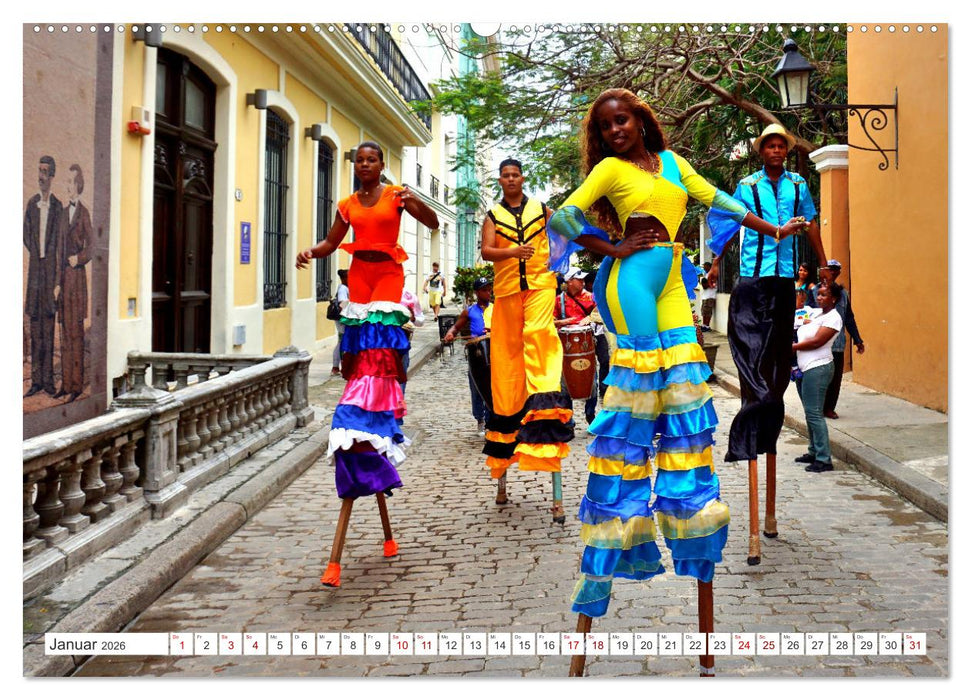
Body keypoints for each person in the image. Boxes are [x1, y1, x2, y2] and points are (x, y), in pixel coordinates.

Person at [547, 88, 806, 619]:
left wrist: (774, 229)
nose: (615, 130)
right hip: (631, 281)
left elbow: (721, 200)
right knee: (642, 394)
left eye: (623, 121)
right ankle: (617, 526)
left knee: (684, 390)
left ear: (641, 120)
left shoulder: (672, 163)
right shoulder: (610, 171)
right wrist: (614, 247)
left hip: (670, 282)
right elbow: (565, 220)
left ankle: (687, 511)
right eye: (605, 127)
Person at [296, 141, 439, 585]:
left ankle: (379, 397)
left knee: (382, 342)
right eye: (359, 160)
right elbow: (332, 242)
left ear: (381, 165)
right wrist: (312, 253)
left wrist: (414, 200)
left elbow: (432, 222)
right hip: (358, 273)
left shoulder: (396, 196)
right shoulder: (346, 204)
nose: (364, 165)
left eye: (371, 160)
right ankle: (363, 396)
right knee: (360, 348)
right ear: (354, 167)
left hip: (389, 273)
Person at [707, 122, 826, 465]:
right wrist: (716, 262)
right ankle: (750, 415)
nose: (776, 151)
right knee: (749, 349)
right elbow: (733, 223)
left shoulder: (799, 184)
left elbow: (811, 222)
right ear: (761, 152)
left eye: (781, 146)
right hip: (753, 279)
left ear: (786, 151)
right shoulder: (748, 185)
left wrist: (821, 261)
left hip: (785, 280)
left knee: (777, 354)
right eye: (770, 146)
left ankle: (769, 419)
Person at [480, 158, 574, 512]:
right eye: (505, 175)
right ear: (501, 180)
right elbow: (488, 251)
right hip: (506, 291)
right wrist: (512, 252)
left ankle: (544, 393)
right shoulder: (492, 215)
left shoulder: (541, 208)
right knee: (505, 357)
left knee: (538, 332)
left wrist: (557, 258)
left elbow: (563, 230)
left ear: (522, 177)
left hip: (539, 284)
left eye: (515, 174)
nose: (511, 179)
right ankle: (508, 414)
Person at [792, 283, 844, 473]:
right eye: (818, 294)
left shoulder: (834, 318)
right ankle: (813, 451)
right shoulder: (815, 314)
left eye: (824, 295)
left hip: (818, 367)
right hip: (803, 368)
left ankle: (824, 458)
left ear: (834, 298)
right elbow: (798, 316)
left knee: (815, 413)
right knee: (809, 412)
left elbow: (816, 342)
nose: (819, 298)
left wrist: (790, 348)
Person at [24, 155, 63, 398]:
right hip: (35, 277)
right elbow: (26, 234)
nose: (41, 176)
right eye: (39, 171)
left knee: (48, 329)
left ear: (52, 176)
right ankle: (36, 381)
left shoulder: (58, 207)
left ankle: (48, 381)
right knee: (35, 327)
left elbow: (59, 243)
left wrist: (54, 275)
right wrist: (38, 256)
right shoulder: (31, 204)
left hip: (50, 278)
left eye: (45, 172)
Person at [54, 164, 92, 403]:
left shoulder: (84, 213)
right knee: (65, 333)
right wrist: (57, 283)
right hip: (64, 282)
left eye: (71, 182)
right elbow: (58, 250)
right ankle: (66, 384)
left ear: (78, 185)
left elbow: (94, 245)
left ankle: (76, 385)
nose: (68, 186)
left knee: (76, 333)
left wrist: (78, 259)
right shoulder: (61, 213)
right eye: (66, 182)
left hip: (77, 280)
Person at [810, 259, 865, 419]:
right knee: (819, 376)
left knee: (835, 379)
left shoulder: (843, 294)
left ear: (839, 272)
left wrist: (857, 339)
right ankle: (817, 406)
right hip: (819, 341)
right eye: (829, 269)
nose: (832, 272)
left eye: (835, 270)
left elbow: (849, 317)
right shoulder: (814, 292)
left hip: (838, 343)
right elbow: (806, 313)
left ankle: (829, 408)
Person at [444, 277, 494, 434]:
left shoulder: (497, 308)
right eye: (484, 290)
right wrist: (450, 333)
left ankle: (491, 420)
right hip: (477, 353)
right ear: (477, 292)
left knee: (493, 387)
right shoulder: (469, 311)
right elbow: (456, 327)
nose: (488, 293)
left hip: (494, 349)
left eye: (489, 289)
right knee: (477, 387)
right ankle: (480, 418)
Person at [554, 267, 600, 424]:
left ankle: (590, 414)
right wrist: (563, 322)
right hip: (566, 346)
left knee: (592, 380)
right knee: (565, 381)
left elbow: (602, 312)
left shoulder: (591, 297)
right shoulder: (558, 300)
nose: (582, 282)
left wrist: (591, 317)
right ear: (569, 282)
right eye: (578, 279)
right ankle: (568, 419)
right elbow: (549, 321)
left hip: (586, 344)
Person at [331, 269, 349, 376]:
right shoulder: (343, 288)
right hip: (343, 319)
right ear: (343, 278)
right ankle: (338, 366)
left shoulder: (345, 288)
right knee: (342, 341)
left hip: (343, 319)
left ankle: (336, 366)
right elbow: (343, 304)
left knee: (341, 341)